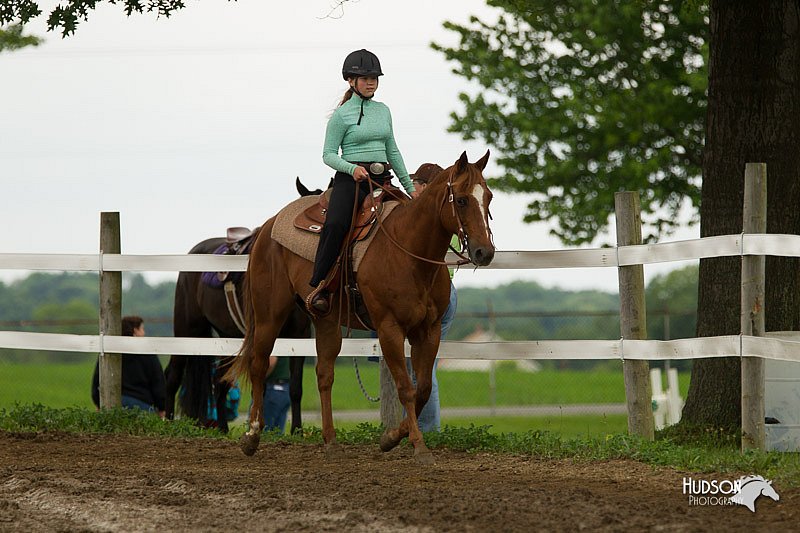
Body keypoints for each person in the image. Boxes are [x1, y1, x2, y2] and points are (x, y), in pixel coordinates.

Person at [308, 48, 419, 314]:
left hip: (383, 179)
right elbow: (328, 155)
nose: (371, 83)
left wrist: (410, 188)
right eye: (366, 78)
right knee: (335, 224)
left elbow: (393, 150)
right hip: (351, 180)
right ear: (351, 81)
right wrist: (351, 168)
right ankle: (320, 284)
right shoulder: (341, 115)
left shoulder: (384, 111)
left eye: (375, 78)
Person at [405, 162, 459, 432]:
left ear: (426, 188)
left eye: (415, 184)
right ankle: (421, 427)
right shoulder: (447, 217)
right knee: (423, 367)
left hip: (434, 295)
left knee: (423, 368)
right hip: (441, 294)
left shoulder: (434, 219)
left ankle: (427, 429)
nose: (411, 189)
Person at [91, 315, 167, 418]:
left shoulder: (110, 352)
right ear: (135, 331)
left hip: (113, 404)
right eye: (142, 329)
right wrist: (162, 407)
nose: (144, 333)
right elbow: (158, 382)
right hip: (142, 405)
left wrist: (99, 403)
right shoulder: (148, 354)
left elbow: (97, 380)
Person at [260, 355, 291, 433]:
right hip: (285, 389)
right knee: (278, 432)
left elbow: (271, 362)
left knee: (265, 431)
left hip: (271, 389)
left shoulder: (273, 344)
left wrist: (258, 379)